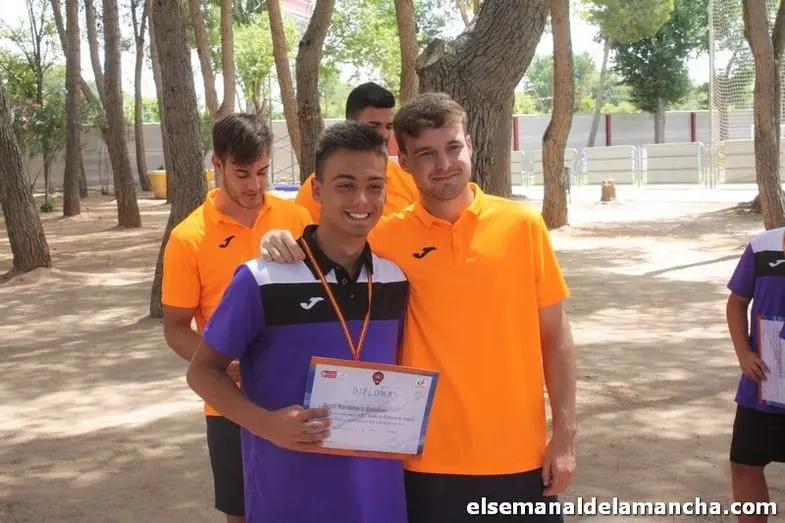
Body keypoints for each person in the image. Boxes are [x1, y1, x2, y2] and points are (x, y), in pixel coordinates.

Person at [260, 92, 577, 522]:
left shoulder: (523, 226)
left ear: (470, 146)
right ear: (404, 162)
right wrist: (278, 239)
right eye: (426, 153)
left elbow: (555, 336)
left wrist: (565, 434)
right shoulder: (382, 239)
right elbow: (319, 256)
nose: (444, 164)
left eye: (453, 147)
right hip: (423, 462)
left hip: (521, 456)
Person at [185, 121, 411, 523]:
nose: (361, 199)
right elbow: (202, 372)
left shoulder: (395, 280)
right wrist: (266, 424)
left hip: (378, 499)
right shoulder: (262, 279)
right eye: (345, 185)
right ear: (317, 191)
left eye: (374, 186)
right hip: (288, 496)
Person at [161, 113, 312, 523]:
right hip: (230, 405)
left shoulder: (298, 219)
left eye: (263, 172)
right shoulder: (188, 238)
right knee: (243, 513)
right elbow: (175, 328)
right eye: (242, 174)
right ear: (218, 164)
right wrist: (222, 364)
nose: (255, 186)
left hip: (297, 392)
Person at [726, 226, 785, 523]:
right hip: (764, 384)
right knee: (745, 465)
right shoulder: (763, 246)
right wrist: (744, 353)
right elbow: (737, 302)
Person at [295, 81, 417, 221]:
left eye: (389, 127)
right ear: (350, 125)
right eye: (374, 126)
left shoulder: (406, 179)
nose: (384, 134)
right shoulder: (320, 187)